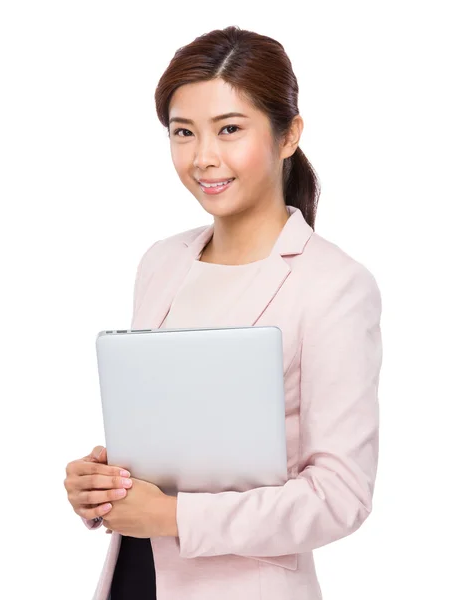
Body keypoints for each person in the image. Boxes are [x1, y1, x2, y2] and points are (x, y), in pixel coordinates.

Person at [64, 25, 383, 600]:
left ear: (289, 137)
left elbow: (341, 496)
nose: (203, 157)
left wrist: (174, 517)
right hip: (136, 578)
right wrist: (104, 481)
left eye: (230, 130)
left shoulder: (334, 285)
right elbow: (176, 439)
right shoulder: (162, 261)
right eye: (183, 132)